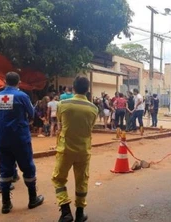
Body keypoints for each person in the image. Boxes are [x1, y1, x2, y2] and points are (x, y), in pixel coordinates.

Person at [0, 72, 44, 214]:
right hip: (20, 138)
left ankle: (6, 204)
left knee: (5, 169)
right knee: (27, 167)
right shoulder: (22, 96)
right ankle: (33, 199)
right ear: (19, 82)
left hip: (3, 139)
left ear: (4, 81)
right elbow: (32, 114)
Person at [52, 76, 98, 222]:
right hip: (84, 150)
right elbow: (89, 127)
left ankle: (65, 211)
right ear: (88, 89)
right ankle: (80, 213)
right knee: (82, 181)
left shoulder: (62, 104)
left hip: (65, 149)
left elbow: (60, 121)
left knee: (58, 179)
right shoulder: (94, 108)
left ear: (73, 87)